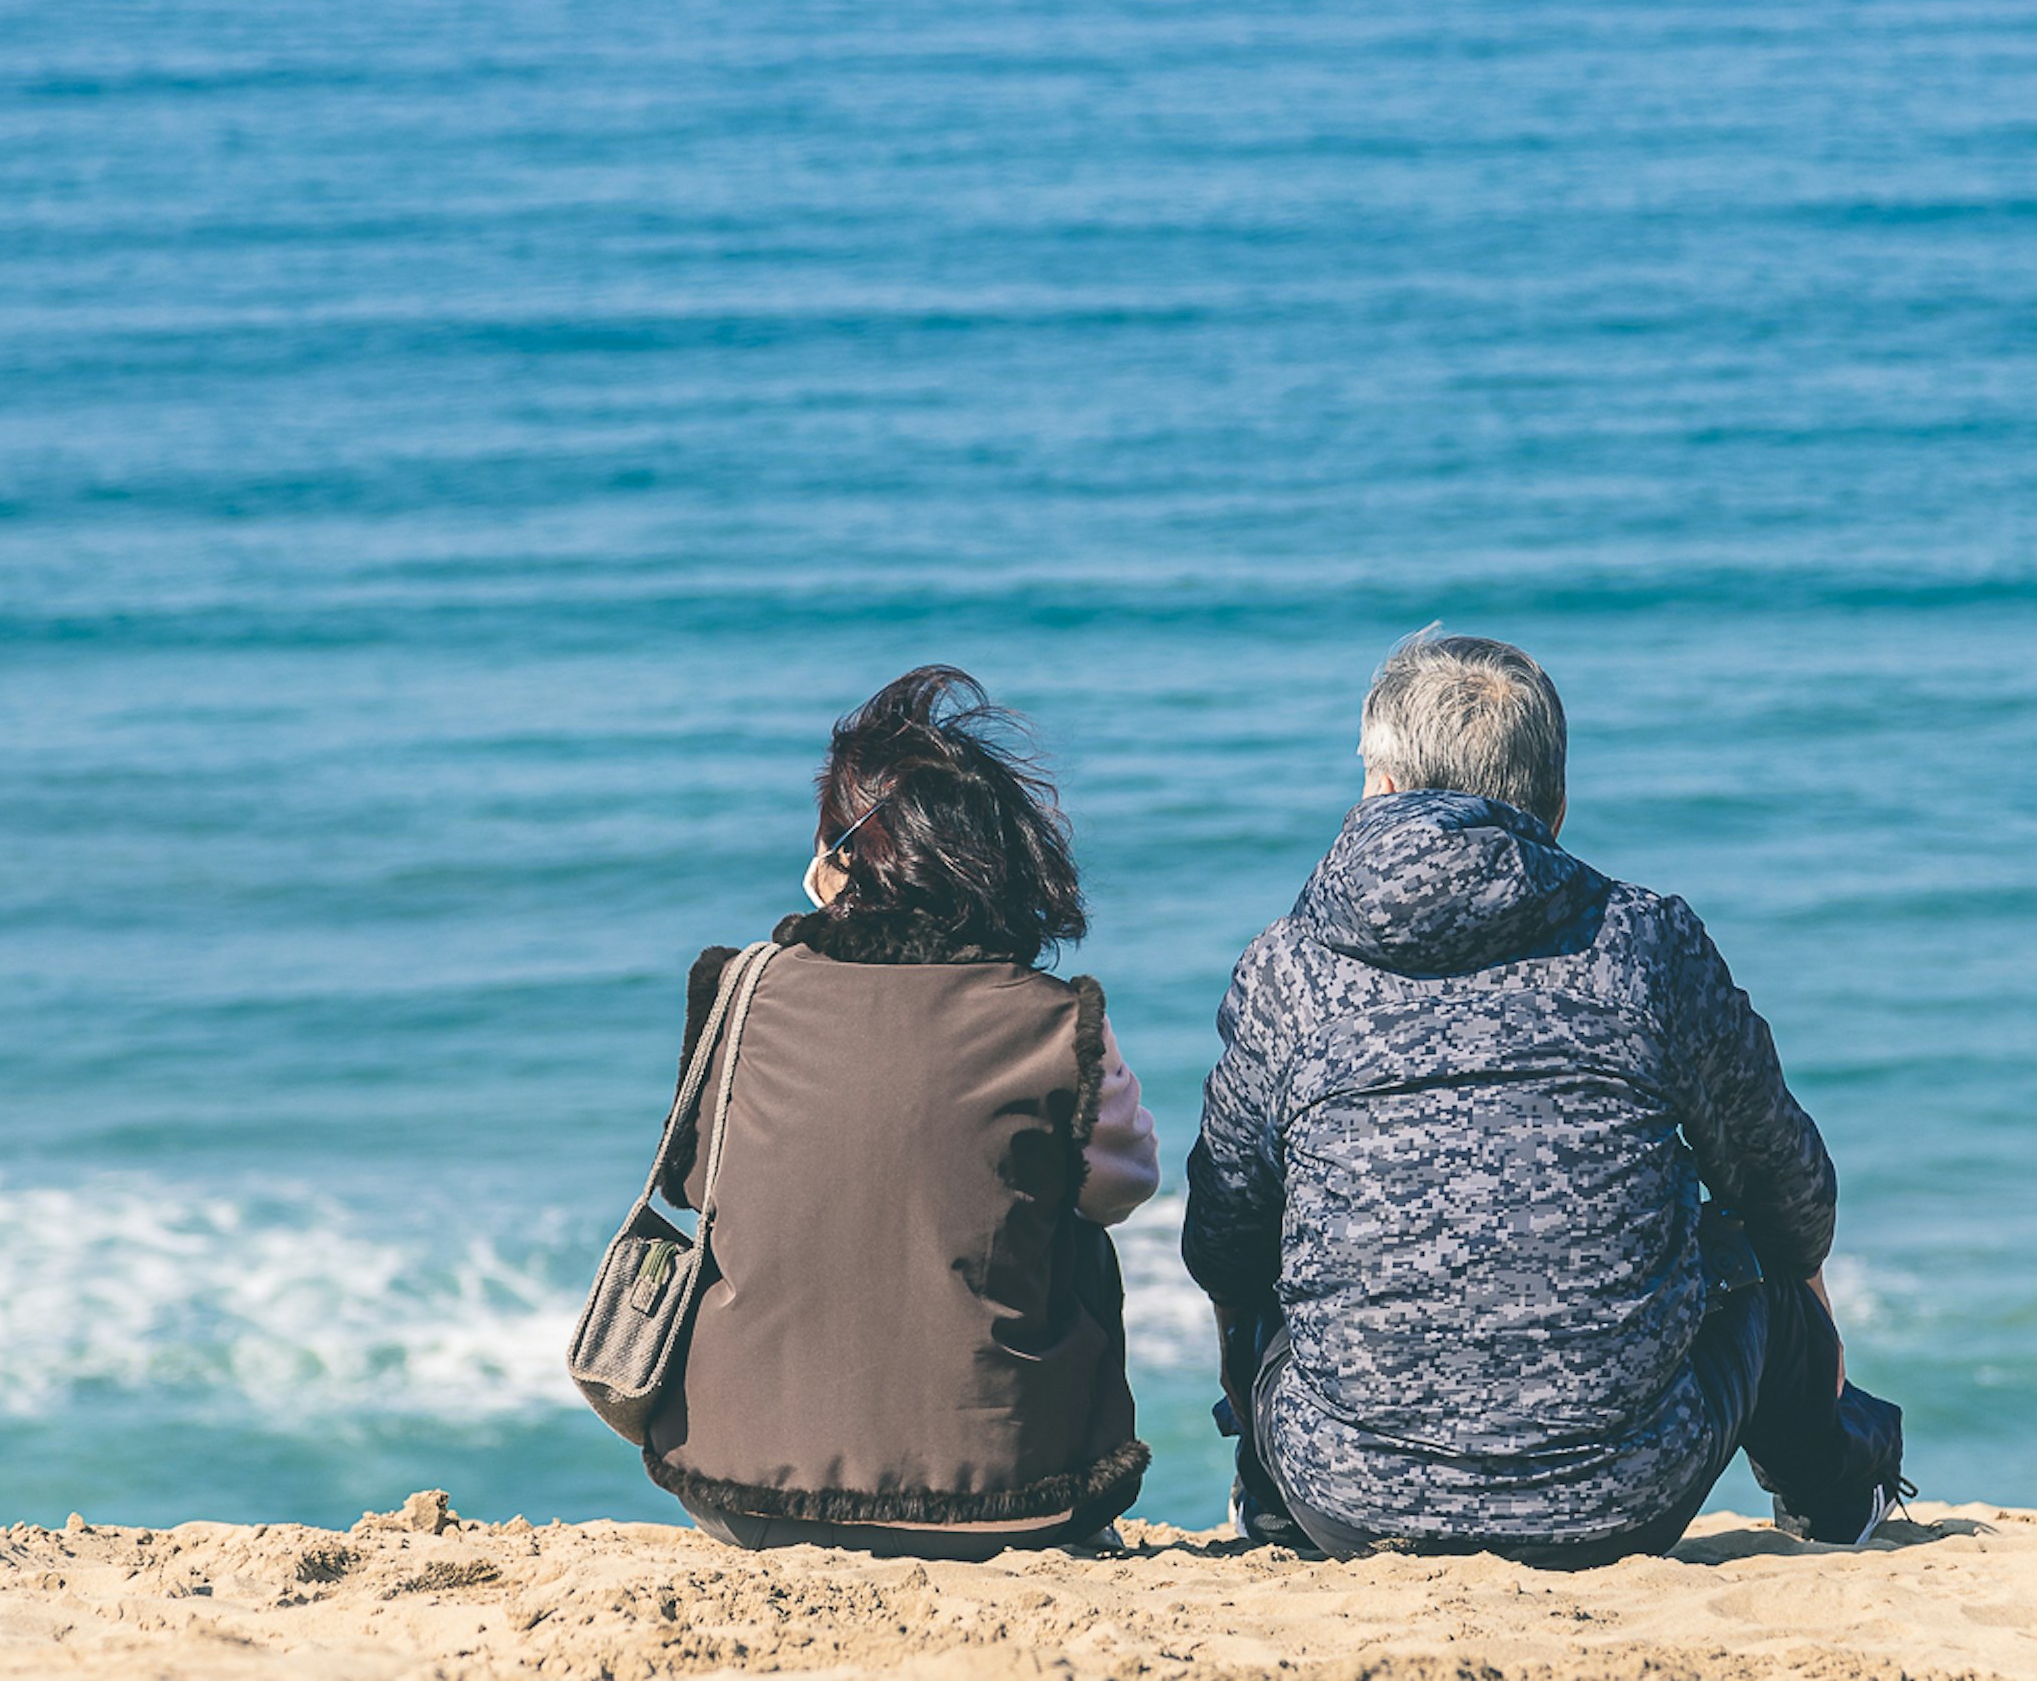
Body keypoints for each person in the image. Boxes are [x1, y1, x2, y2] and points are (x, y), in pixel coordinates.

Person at [1183, 630, 1905, 1564]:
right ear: (1553, 807)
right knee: (1746, 1239)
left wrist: (1251, 1372)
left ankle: (1271, 1507)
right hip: (1623, 1498)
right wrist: (1807, 1300)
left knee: (1276, 1248)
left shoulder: (1287, 966)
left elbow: (1224, 1236)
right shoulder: (1645, 943)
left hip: (1349, 1498)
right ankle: (1832, 1491)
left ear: (1384, 792)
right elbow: (1781, 1177)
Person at [645, 666, 1158, 1557]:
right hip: (1005, 1504)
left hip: (740, 1486)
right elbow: (1124, 1187)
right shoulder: (1052, 1019)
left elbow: (696, 1183)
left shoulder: (739, 990)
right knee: (1074, 1224)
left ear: (840, 856)